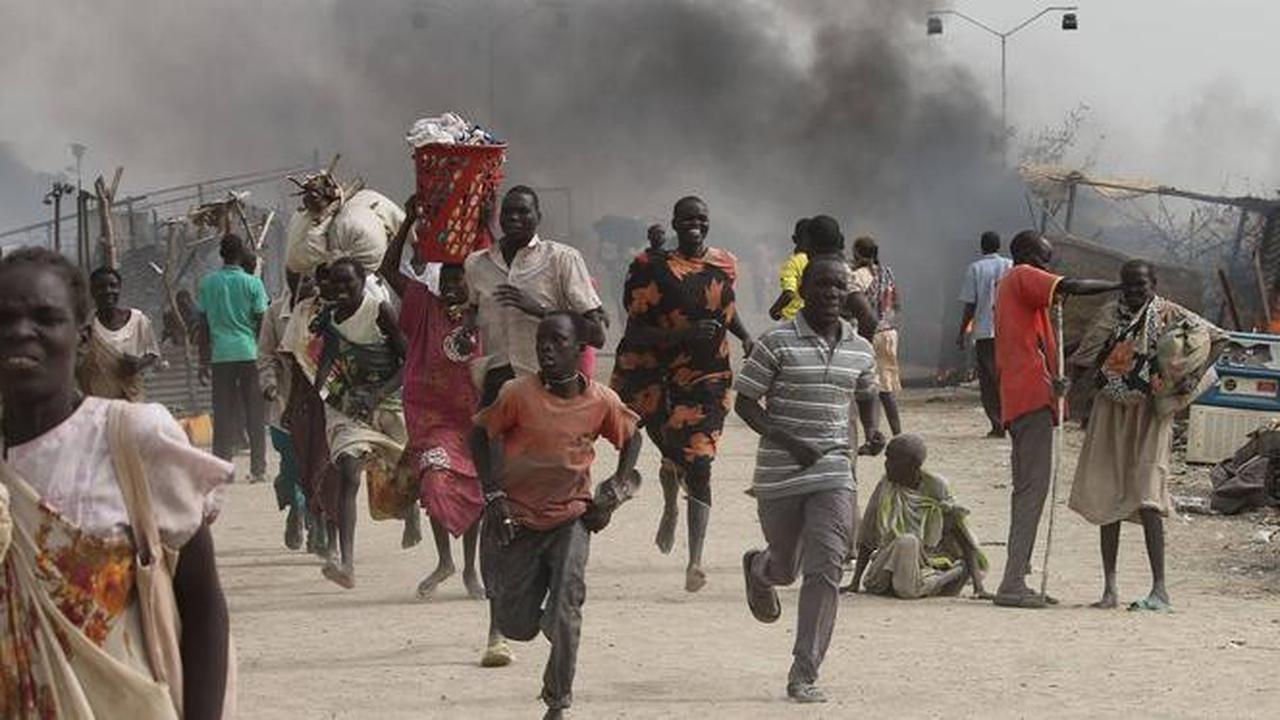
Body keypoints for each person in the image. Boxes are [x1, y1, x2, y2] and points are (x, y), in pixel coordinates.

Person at [0, 247, 232, 718]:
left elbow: (203, 606)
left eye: (45, 318)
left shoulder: (132, 437)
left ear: (84, 338)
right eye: (4, 319)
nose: (21, 332)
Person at [472, 311, 642, 720]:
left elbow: (632, 437)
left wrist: (616, 488)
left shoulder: (600, 400)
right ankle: (547, 618)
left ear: (579, 350)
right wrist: (493, 492)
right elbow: (479, 434)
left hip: (571, 518)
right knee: (517, 625)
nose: (546, 349)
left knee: (567, 607)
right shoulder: (517, 394)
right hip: (519, 520)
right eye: (541, 342)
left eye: (557, 342)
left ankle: (557, 701)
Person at [463, 185, 608, 665]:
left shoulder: (561, 259)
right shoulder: (476, 266)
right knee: (497, 504)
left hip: (550, 400)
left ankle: (548, 605)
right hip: (499, 394)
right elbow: (471, 318)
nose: (516, 218)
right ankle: (497, 630)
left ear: (538, 215)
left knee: (549, 503)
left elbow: (596, 329)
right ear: (498, 217)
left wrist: (538, 309)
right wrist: (463, 329)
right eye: (509, 212)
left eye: (524, 211)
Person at [735, 255, 879, 704]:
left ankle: (804, 671)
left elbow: (868, 392)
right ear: (805, 289)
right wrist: (789, 440)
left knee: (826, 567)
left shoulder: (861, 348)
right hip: (780, 475)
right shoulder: (776, 342)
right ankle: (760, 569)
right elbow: (744, 403)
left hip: (835, 472)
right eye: (822, 285)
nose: (832, 294)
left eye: (840, 287)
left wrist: (874, 430)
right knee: (786, 567)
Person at [611, 195, 753, 593]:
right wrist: (682, 334)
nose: (694, 225)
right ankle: (671, 501)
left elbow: (725, 304)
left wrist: (744, 335)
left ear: (709, 223)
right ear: (674, 223)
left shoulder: (725, 263)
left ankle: (695, 560)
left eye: (701, 219)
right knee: (673, 451)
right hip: (655, 374)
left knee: (701, 461)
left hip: (707, 376)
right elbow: (635, 330)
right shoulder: (649, 268)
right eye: (687, 219)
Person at [1067, 260, 1226, 611]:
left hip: (1151, 413)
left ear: (1153, 284)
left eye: (1142, 285)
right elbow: (1087, 359)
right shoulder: (1109, 315)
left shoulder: (1171, 314)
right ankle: (1109, 589)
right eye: (1129, 286)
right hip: (1111, 409)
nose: (1136, 291)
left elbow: (1217, 339)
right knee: (1107, 491)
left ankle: (1160, 589)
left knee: (1149, 493)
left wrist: (1191, 376)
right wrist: (1075, 384)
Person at [992, 230, 1120, 609]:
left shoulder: (1022, 296)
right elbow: (1073, 286)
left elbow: (1036, 348)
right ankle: (1012, 582)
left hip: (1031, 396)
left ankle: (1018, 574)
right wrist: (1117, 283)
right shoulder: (1022, 276)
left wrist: (1056, 378)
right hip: (1028, 399)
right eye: (1044, 259)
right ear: (1029, 256)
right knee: (1032, 491)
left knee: (1029, 490)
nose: (1049, 267)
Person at [380, 197, 485, 600]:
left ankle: (471, 569)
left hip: (473, 419)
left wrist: (486, 217)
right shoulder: (425, 302)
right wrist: (407, 221)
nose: (456, 286)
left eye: (463, 280)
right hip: (432, 419)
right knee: (437, 482)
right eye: (451, 279)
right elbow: (389, 270)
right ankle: (444, 559)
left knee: (474, 490)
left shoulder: (482, 310)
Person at [312, 257, 416, 589]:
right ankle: (347, 563)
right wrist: (329, 394)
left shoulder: (380, 311)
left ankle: (410, 514)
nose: (342, 291)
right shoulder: (329, 318)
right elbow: (326, 366)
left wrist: (377, 394)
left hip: (387, 399)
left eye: (349, 284)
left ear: (362, 283)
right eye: (336, 285)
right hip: (350, 405)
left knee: (408, 471)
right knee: (348, 472)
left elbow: (407, 360)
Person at [848, 434, 990, 599]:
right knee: (907, 542)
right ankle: (940, 581)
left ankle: (923, 583)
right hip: (888, 568)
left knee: (909, 552)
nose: (886, 465)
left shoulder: (936, 487)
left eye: (893, 461)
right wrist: (854, 583)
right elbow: (868, 537)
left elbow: (962, 536)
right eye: (886, 458)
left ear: (912, 466)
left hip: (926, 563)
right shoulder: (885, 487)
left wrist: (979, 587)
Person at [259, 272, 324, 553]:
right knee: (292, 467)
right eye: (302, 278)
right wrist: (270, 385)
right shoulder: (274, 313)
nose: (308, 285)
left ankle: (316, 524)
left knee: (319, 469)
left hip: (322, 405)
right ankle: (296, 508)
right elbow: (266, 355)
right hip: (284, 403)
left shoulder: (328, 312)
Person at [198, 234, 270, 484]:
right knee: (254, 412)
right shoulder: (253, 284)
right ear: (241, 255)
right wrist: (265, 356)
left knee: (223, 413)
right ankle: (258, 468)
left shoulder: (207, 284)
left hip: (221, 356)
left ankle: (223, 469)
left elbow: (203, 325)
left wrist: (202, 360)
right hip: (249, 353)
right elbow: (262, 321)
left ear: (221, 255)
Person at [956, 231, 1013, 437]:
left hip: (985, 331)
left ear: (982, 247)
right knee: (1006, 376)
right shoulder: (1011, 265)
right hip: (1008, 330)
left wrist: (962, 331)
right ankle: (1010, 420)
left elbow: (970, 305)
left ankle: (997, 424)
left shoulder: (976, 268)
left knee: (988, 380)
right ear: (999, 246)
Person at [78, 266, 163, 401]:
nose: (108, 291)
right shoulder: (87, 326)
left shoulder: (138, 320)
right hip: (99, 403)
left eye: (113, 286)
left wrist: (139, 364)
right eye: (101, 287)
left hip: (131, 398)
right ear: (92, 292)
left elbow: (153, 353)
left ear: (120, 288)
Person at [851, 235, 903, 439]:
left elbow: (856, 306)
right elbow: (898, 303)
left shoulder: (858, 275)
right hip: (890, 332)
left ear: (857, 252)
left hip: (870, 334)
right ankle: (896, 433)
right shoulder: (887, 272)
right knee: (885, 386)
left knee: (868, 387)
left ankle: (871, 435)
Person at [768, 218, 810, 321]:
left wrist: (774, 310)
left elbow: (789, 293)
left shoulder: (793, 263)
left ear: (794, 239)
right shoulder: (820, 260)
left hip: (794, 319)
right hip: (816, 318)